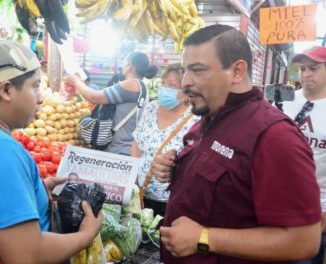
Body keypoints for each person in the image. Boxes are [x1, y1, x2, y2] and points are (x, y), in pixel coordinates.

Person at [151, 24, 321, 263]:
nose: (185, 82)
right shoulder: (207, 119)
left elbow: (303, 240)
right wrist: (172, 167)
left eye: (197, 70)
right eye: (184, 71)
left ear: (237, 72)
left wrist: (205, 238)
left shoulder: (274, 137)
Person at [0, 40, 103, 263]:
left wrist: (35, 191)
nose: (41, 97)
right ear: (6, 90)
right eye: (35, 86)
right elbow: (27, 256)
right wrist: (86, 235)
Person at [131, 63, 200, 216]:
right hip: (140, 196)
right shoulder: (151, 107)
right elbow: (136, 144)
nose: (164, 89)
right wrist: (133, 183)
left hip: (173, 203)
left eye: (172, 85)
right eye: (163, 83)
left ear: (187, 90)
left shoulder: (196, 118)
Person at [64, 52, 158, 156]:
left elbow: (95, 97)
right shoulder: (141, 85)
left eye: (124, 63)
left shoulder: (132, 83)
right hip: (127, 149)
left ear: (130, 67)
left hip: (120, 150)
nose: (122, 66)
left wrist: (76, 82)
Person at [282, 46, 326, 264]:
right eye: (302, 69)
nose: (306, 74)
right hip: (277, 199)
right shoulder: (285, 100)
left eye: (314, 68)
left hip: (315, 208)